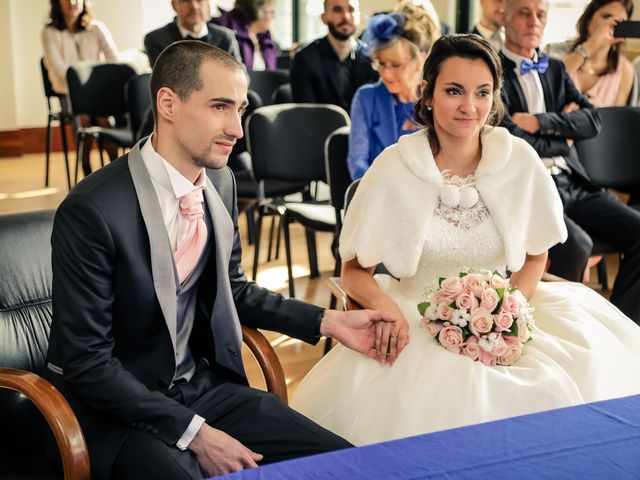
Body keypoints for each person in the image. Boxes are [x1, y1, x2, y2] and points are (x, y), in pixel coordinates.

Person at [44, 41, 399, 480]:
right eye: (219, 107)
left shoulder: (220, 181)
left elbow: (233, 290)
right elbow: (87, 364)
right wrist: (196, 434)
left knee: (347, 465)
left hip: (201, 389)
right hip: (115, 413)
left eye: (241, 109)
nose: (237, 128)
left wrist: (329, 322)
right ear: (168, 103)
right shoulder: (93, 209)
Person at [292, 34, 640, 446]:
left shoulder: (518, 160)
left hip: (509, 308)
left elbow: (536, 257)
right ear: (428, 94)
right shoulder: (394, 168)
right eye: (454, 91)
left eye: (483, 93)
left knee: (571, 391)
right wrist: (388, 310)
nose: (469, 107)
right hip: (416, 316)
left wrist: (507, 311)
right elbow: (353, 272)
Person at [498, 0, 640, 322]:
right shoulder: (493, 71)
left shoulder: (557, 69)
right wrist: (562, 135)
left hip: (573, 180)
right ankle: (554, 327)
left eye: (540, 14)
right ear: (504, 17)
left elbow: (593, 121)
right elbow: (508, 136)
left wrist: (541, 122)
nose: (534, 21)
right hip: (530, 186)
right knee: (576, 244)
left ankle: (617, 324)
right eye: (524, 12)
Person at [347, 2, 437, 180]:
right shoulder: (366, 98)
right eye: (381, 63)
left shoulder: (435, 101)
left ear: (420, 60)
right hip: (377, 196)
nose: (386, 73)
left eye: (396, 65)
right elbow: (357, 164)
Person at [42, 0, 119, 175]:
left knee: (104, 117)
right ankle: (86, 168)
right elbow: (58, 70)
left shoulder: (97, 28)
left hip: (98, 93)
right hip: (67, 92)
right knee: (83, 115)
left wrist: (96, 86)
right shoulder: (49, 32)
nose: (72, 2)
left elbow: (115, 61)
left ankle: (117, 169)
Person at [290, 0, 378, 113]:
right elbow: (306, 117)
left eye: (351, 10)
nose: (345, 17)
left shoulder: (372, 57)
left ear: (358, 17)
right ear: (323, 17)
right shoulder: (304, 60)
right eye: (337, 10)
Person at [544, 0, 635, 107]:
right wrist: (590, 46)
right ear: (588, 20)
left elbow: (619, 119)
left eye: (620, 22)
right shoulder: (553, 51)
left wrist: (599, 113)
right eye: (607, 17)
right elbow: (548, 84)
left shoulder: (625, 70)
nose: (612, 25)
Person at [144, 0, 241, 67]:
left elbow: (240, 74)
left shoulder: (225, 36)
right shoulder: (155, 39)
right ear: (174, 5)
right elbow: (163, 81)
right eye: (186, 0)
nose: (194, 6)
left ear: (207, 4)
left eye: (199, 0)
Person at [213, 0, 278, 71]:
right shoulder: (222, 31)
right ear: (258, 12)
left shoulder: (265, 37)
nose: (274, 17)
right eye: (271, 12)